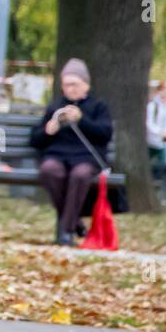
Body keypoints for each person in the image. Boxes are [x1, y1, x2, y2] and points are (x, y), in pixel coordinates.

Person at [30, 58, 113, 246]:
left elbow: (104, 134)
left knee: (80, 175)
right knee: (49, 171)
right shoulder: (55, 107)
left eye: (75, 84)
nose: (71, 89)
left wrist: (81, 120)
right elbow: (34, 140)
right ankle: (74, 222)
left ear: (86, 85)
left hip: (85, 158)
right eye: (66, 85)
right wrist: (48, 130)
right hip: (57, 156)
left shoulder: (98, 107)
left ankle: (66, 231)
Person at [147, 81, 166, 199]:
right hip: (151, 141)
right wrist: (160, 132)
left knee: (165, 166)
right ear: (160, 90)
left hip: (164, 143)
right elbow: (149, 123)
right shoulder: (153, 105)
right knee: (150, 167)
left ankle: (164, 193)